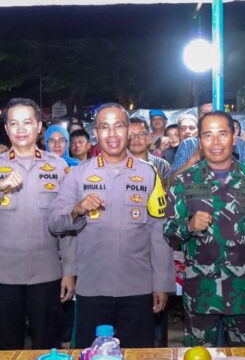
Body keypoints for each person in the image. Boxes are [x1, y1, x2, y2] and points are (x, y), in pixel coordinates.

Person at [50, 103, 173, 348]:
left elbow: (159, 232)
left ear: (128, 131)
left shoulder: (149, 174)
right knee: (92, 352)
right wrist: (77, 210)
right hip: (93, 286)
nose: (112, 134)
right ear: (96, 133)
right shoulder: (78, 174)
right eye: (105, 127)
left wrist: (162, 283)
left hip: (137, 287)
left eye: (118, 126)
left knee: (138, 353)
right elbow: (55, 224)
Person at [0, 99, 75, 349]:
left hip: (47, 275)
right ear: (6, 128)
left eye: (27, 122)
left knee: (47, 344)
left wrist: (68, 270)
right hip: (5, 277)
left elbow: (67, 224)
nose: (21, 129)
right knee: (5, 345)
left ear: (39, 127)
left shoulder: (58, 166)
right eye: (14, 123)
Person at [164, 111, 245, 352]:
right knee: (198, 356)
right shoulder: (185, 180)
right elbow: (169, 233)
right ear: (200, 141)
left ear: (234, 137)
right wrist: (189, 226)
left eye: (222, 134)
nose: (215, 142)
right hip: (201, 294)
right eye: (208, 135)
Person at [170, 100, 245, 181]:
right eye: (204, 113)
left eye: (213, 112)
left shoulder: (238, 142)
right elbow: (171, 181)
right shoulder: (188, 144)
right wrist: (194, 158)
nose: (215, 142)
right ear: (198, 117)